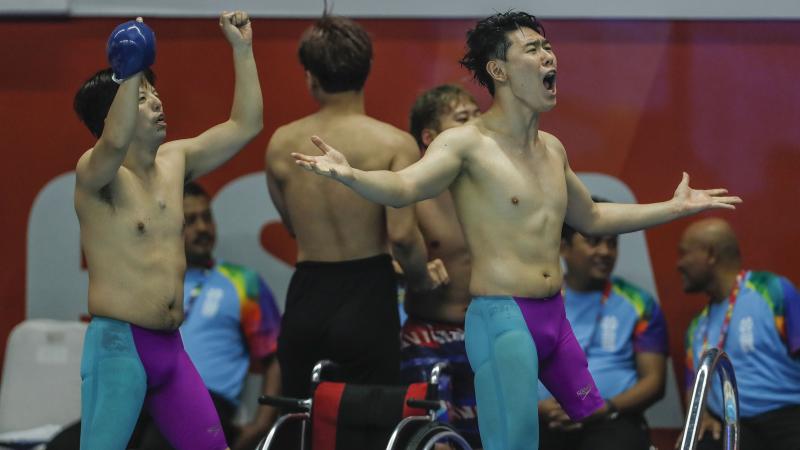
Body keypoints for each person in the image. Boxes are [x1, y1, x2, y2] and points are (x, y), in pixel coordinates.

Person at [292, 10, 741, 450]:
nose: (549, 56)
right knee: (513, 443)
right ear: (498, 70)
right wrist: (351, 175)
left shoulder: (552, 148)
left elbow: (593, 219)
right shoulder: (466, 143)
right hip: (504, 319)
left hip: (555, 320)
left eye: (547, 46)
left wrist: (673, 207)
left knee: (598, 423)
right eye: (533, 49)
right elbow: (404, 187)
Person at [72, 11, 262, 450]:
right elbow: (114, 143)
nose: (158, 103)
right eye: (142, 97)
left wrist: (242, 49)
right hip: (119, 348)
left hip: (171, 350)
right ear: (111, 115)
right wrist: (128, 67)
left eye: (154, 93)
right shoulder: (95, 174)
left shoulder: (175, 162)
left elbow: (245, 125)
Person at [265, 14, 440, 404]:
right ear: (368, 69)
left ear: (309, 75)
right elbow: (402, 237)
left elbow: (293, 225)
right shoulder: (394, 144)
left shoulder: (281, 144)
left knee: (300, 424)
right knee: (367, 428)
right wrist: (421, 278)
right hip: (368, 298)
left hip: (307, 297)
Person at [137, 182, 281, 450]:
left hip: (206, 401)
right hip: (146, 400)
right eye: (190, 221)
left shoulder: (242, 281)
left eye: (207, 217)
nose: (203, 228)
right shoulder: (153, 284)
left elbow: (275, 358)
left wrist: (261, 426)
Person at [537, 202, 669, 450]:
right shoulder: (537, 300)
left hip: (611, 420)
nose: (606, 252)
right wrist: (536, 408)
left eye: (612, 243)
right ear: (563, 247)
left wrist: (603, 407)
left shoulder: (639, 303)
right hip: (544, 420)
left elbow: (654, 382)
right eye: (594, 241)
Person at [401, 84, 481, 446]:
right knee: (436, 443)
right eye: (464, 118)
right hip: (427, 337)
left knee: (486, 439)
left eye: (479, 114)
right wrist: (411, 269)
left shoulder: (494, 187)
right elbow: (384, 251)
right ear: (430, 137)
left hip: (483, 333)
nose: (478, 124)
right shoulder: (410, 190)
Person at [678, 218, 800, 450]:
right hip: (731, 425)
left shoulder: (772, 291)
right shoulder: (697, 327)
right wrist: (701, 417)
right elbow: (692, 390)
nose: (679, 264)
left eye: (684, 253)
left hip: (788, 416)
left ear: (711, 254)